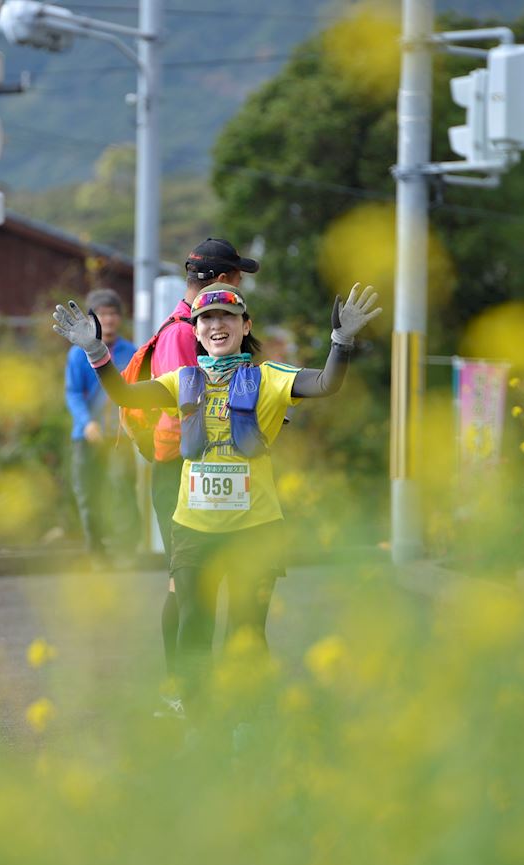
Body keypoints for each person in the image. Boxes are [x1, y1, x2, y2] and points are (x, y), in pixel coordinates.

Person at [53, 281, 382, 714]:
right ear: (196, 330)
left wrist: (342, 341)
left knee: (246, 632)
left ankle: (247, 722)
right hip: (193, 529)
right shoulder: (181, 380)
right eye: (206, 318)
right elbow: (125, 395)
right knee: (193, 626)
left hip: (255, 530)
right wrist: (96, 352)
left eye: (227, 316)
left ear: (245, 326)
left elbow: (325, 384)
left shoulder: (268, 378)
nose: (216, 324)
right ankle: (199, 721)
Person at [122, 239, 262, 701]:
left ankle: (190, 692)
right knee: (184, 587)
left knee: (188, 585)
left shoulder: (175, 326)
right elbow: (197, 407)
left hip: (187, 468)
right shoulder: (190, 334)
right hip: (186, 471)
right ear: (223, 282)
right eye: (239, 278)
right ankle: (182, 692)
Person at [65, 288, 140, 562]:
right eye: (102, 315)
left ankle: (128, 551)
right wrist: (86, 423)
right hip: (87, 437)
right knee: (89, 494)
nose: (108, 320)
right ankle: (97, 554)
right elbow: (73, 392)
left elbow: (137, 390)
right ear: (91, 319)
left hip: (120, 435)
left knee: (124, 489)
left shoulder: (131, 351)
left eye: (112, 314)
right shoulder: (77, 354)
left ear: (120, 318)